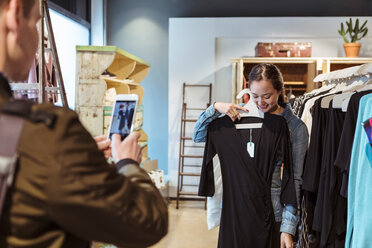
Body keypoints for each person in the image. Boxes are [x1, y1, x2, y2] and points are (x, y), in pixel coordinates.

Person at [0, 0, 168, 247]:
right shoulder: (46, 134)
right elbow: (148, 222)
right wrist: (128, 163)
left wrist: (78, 158)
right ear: (15, 14)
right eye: (36, 22)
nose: (36, 39)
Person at [194, 63, 309, 248]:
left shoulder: (294, 128)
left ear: (279, 91)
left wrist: (288, 228)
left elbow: (295, 178)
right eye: (255, 96)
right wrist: (215, 108)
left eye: (267, 96)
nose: (261, 102)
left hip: (272, 212)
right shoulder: (237, 115)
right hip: (236, 209)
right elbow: (198, 135)